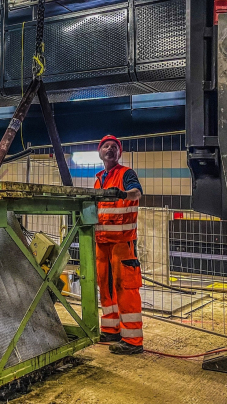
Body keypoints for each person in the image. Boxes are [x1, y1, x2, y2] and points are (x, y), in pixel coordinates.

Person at [93, 134, 144, 355]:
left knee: (126, 288)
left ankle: (133, 340)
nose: (110, 149)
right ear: (100, 152)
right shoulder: (99, 179)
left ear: (119, 153)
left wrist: (123, 193)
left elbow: (137, 192)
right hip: (102, 242)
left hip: (122, 243)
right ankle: (111, 330)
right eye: (106, 146)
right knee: (105, 287)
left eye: (114, 147)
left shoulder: (126, 174)